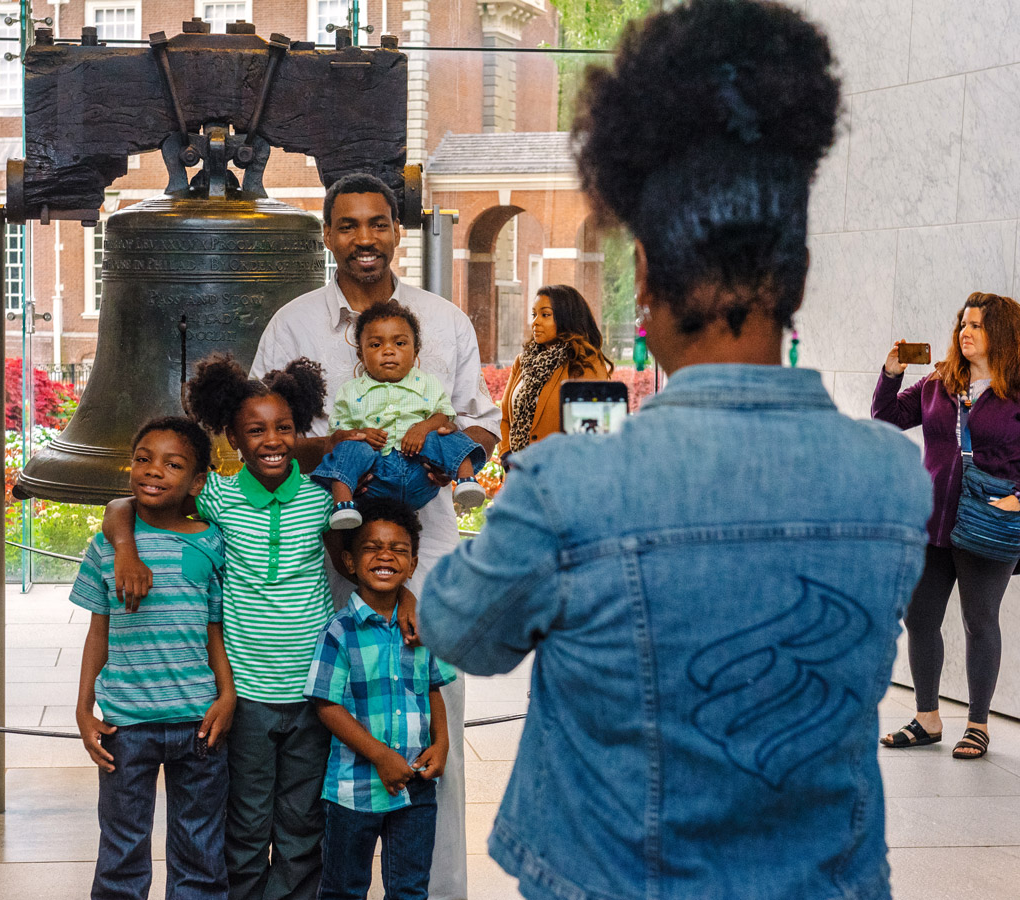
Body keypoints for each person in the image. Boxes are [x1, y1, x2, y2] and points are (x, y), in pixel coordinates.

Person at [418, 2, 933, 899]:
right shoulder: (891, 477)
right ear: (798, 281)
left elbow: (459, 629)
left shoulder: (572, 487)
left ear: (645, 281)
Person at [250, 172, 501, 900]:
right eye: (349, 225)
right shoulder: (293, 325)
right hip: (329, 549)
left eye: (379, 224)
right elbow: (260, 439)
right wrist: (336, 448)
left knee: (431, 718)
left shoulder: (445, 321)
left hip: (427, 555)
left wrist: (445, 434)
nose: (365, 238)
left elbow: (487, 420)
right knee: (328, 721)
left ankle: (433, 890)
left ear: (399, 231)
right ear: (328, 235)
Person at [105, 354, 339, 900]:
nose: (272, 440)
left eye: (284, 427)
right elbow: (123, 503)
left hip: (315, 691)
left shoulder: (322, 498)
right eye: (255, 430)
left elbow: (378, 551)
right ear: (232, 439)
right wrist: (125, 549)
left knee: (304, 822)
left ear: (299, 427)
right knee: (248, 821)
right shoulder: (217, 497)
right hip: (248, 694)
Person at [74, 416, 235, 900]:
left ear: (198, 480)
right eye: (143, 458)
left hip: (199, 723)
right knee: (121, 850)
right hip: (125, 725)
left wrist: (227, 694)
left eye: (173, 463)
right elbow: (96, 632)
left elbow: (215, 631)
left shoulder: (210, 541)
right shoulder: (106, 547)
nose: (153, 470)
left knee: (200, 851)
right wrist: (84, 708)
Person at [873, 292, 1020, 760]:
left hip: (989, 521)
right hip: (933, 519)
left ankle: (978, 724)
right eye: (964, 324)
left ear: (1003, 335)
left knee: (980, 621)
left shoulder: (1015, 390)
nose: (967, 332)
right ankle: (927, 717)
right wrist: (892, 372)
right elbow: (887, 416)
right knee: (919, 617)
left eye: (978, 325)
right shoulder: (941, 383)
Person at [305, 498, 454, 900]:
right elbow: (326, 705)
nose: (385, 555)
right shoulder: (339, 630)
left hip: (417, 787)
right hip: (354, 791)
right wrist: (381, 756)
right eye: (372, 547)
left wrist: (441, 744)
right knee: (343, 889)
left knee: (409, 889)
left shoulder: (422, 628)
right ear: (350, 562)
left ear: (412, 562)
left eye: (398, 549)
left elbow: (434, 688)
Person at [311, 300, 487, 530]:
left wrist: (424, 428)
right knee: (349, 448)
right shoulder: (351, 392)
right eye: (375, 345)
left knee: (444, 434)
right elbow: (338, 435)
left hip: (420, 471)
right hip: (375, 478)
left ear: (415, 353)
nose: (388, 350)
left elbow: (444, 416)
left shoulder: (427, 384)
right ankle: (343, 504)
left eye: (400, 343)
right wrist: (361, 434)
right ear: (361, 355)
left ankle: (466, 480)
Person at [499, 284, 613, 465]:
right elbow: (504, 416)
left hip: (562, 476)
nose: (535, 322)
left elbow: (590, 434)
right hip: (520, 476)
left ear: (566, 318)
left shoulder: (585, 364)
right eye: (534, 314)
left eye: (545, 315)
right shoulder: (523, 362)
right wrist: (507, 457)